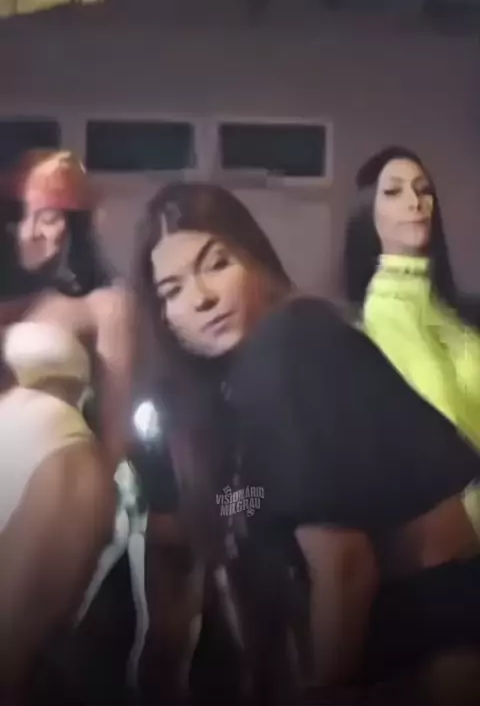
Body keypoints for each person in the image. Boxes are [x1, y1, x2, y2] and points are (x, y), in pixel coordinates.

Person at [132, 181, 480, 704]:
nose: (202, 298)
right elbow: (252, 503)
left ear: (257, 263)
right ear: (163, 317)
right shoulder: (226, 391)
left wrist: (324, 689)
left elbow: (345, 565)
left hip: (436, 643)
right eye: (172, 290)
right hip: (396, 642)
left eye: (217, 264)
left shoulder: (291, 342)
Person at [0, 150, 134, 702]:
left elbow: (119, 418)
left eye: (49, 215)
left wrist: (102, 506)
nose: (32, 230)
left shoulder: (105, 303)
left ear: (75, 224)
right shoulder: (11, 300)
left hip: (56, 470)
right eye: (21, 215)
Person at [341, 146, 480, 559]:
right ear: (368, 214)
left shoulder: (444, 304)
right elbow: (441, 441)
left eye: (423, 190)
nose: (414, 202)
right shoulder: (385, 310)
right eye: (394, 191)